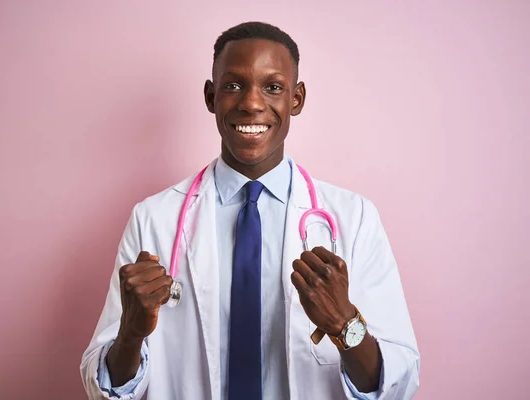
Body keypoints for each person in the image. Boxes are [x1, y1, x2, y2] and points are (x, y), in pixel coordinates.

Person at [80, 21, 420, 400]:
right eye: (233, 85)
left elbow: (398, 384)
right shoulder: (153, 219)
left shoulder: (354, 219)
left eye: (273, 87)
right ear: (210, 97)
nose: (252, 103)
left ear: (297, 98)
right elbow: (103, 389)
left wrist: (345, 324)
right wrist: (130, 333)